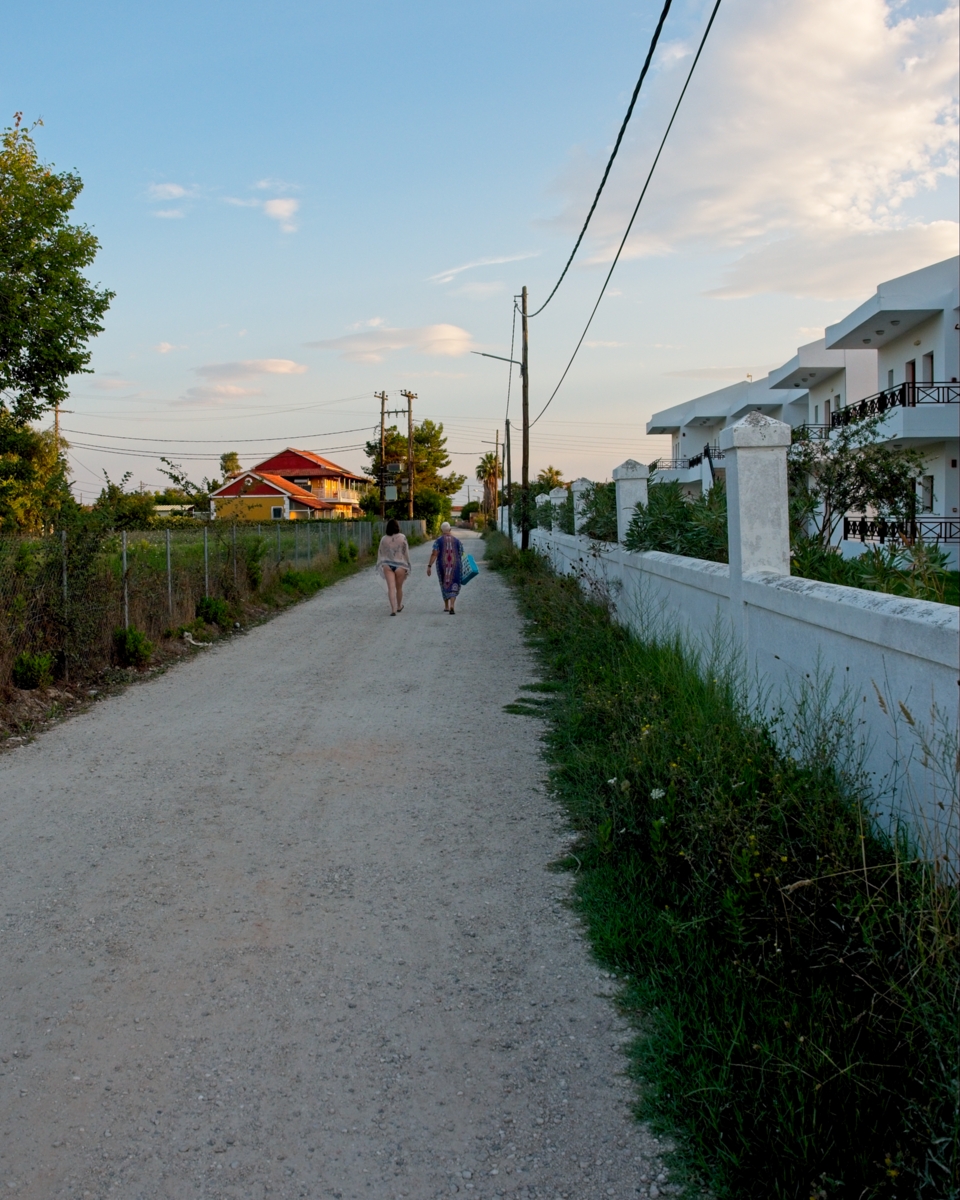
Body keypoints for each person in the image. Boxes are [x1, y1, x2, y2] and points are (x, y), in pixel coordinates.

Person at [376, 518, 411, 615]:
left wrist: (381, 563)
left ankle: (393, 609)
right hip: (400, 565)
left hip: (387, 565)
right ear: (397, 527)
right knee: (399, 588)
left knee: (391, 588)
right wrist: (407, 563)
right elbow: (406, 552)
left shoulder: (384, 539)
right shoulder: (402, 537)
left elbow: (381, 552)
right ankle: (399, 606)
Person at [427, 521, 463, 614]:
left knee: (444, 583)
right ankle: (452, 606)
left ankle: (446, 606)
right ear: (450, 529)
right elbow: (461, 553)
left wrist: (429, 566)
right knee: (454, 583)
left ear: (441, 530)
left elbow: (434, 554)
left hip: (442, 565)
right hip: (455, 565)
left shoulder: (438, 541)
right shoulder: (457, 540)